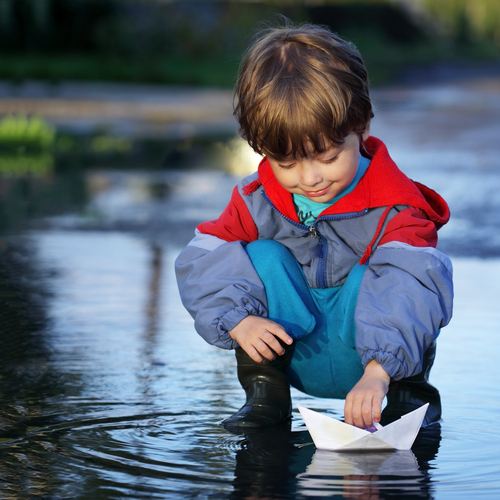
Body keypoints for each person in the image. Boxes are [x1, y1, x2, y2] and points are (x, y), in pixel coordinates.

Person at [175, 21, 453, 431]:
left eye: (326, 156)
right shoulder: (257, 200)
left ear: (361, 126)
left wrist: (379, 372)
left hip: (376, 366)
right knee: (258, 255)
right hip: (292, 350)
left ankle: (408, 403)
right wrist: (238, 320)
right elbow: (202, 257)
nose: (310, 178)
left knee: (404, 271)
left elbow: (411, 291)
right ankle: (265, 399)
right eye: (287, 163)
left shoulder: (397, 209)